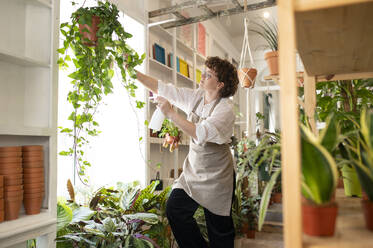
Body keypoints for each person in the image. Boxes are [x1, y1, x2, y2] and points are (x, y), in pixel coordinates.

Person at [135, 56, 238, 248]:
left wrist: (171, 114)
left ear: (220, 84)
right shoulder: (197, 97)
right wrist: (134, 73)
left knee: (219, 232)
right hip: (194, 172)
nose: (202, 76)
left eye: (208, 75)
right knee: (175, 209)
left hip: (217, 177)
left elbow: (200, 133)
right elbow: (165, 89)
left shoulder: (225, 110)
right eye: (204, 71)